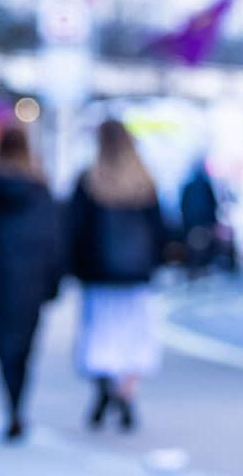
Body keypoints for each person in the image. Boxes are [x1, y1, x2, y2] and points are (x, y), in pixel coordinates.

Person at [66, 119, 170, 433]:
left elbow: (75, 229)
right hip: (136, 275)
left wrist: (76, 267)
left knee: (99, 333)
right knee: (134, 335)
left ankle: (104, 389)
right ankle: (127, 391)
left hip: (98, 275)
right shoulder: (143, 180)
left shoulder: (89, 180)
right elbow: (160, 229)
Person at [0, 124, 62, 443]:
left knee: (1, 346)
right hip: (31, 280)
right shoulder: (40, 189)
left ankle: (12, 405)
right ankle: (17, 406)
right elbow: (54, 240)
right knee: (23, 349)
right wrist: (52, 281)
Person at [178, 157, 227, 280]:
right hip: (202, 222)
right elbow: (212, 204)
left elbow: (184, 205)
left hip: (194, 222)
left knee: (196, 246)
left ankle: (197, 268)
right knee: (202, 246)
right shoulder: (204, 185)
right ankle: (200, 268)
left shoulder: (188, 186)